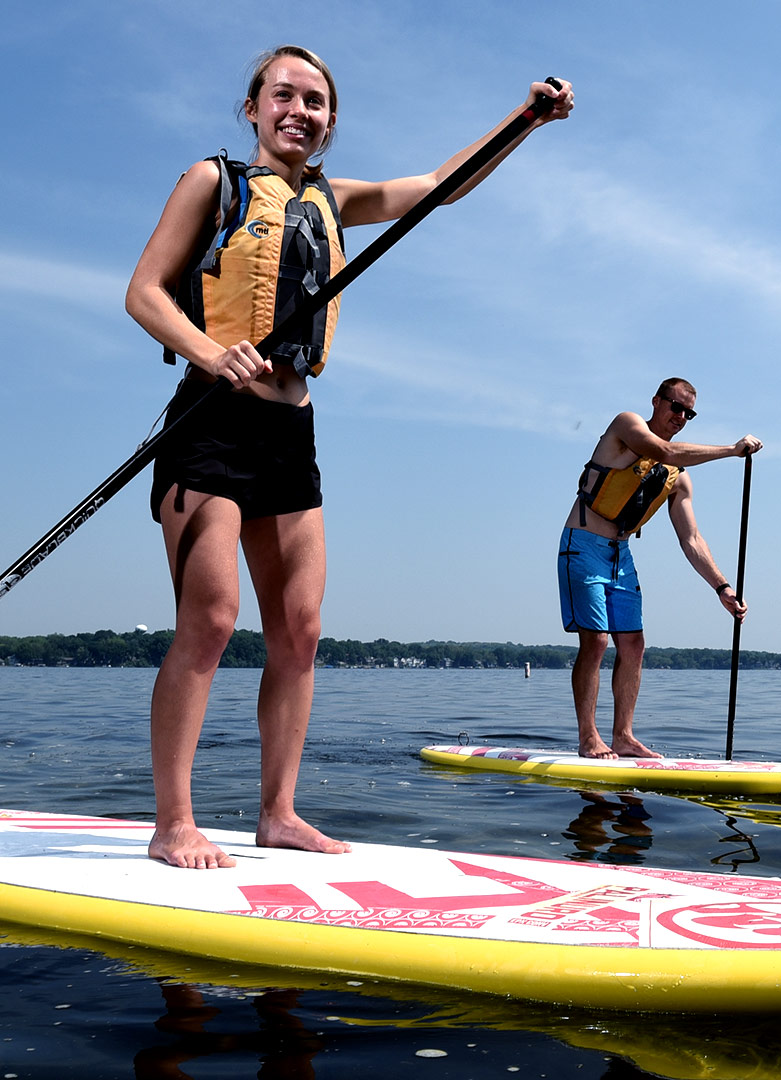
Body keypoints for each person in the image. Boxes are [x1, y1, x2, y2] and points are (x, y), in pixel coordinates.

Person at [126, 46, 573, 868]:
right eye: (285, 95)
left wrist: (525, 123)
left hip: (292, 433)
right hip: (211, 421)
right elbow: (144, 291)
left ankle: (278, 812)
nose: (301, 110)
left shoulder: (336, 199)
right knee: (214, 620)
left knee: (299, 630)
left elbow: (442, 185)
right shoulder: (211, 182)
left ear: (331, 120)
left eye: (318, 101)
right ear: (253, 106)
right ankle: (173, 823)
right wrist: (208, 350)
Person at [559, 378, 761, 758]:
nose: (681, 417)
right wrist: (731, 451)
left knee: (633, 645)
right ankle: (589, 737)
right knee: (597, 641)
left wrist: (723, 589)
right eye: (675, 406)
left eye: (689, 413)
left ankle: (623, 735)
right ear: (656, 401)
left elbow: (692, 539)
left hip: (620, 557)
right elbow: (664, 449)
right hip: (582, 546)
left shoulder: (677, 479)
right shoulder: (626, 426)